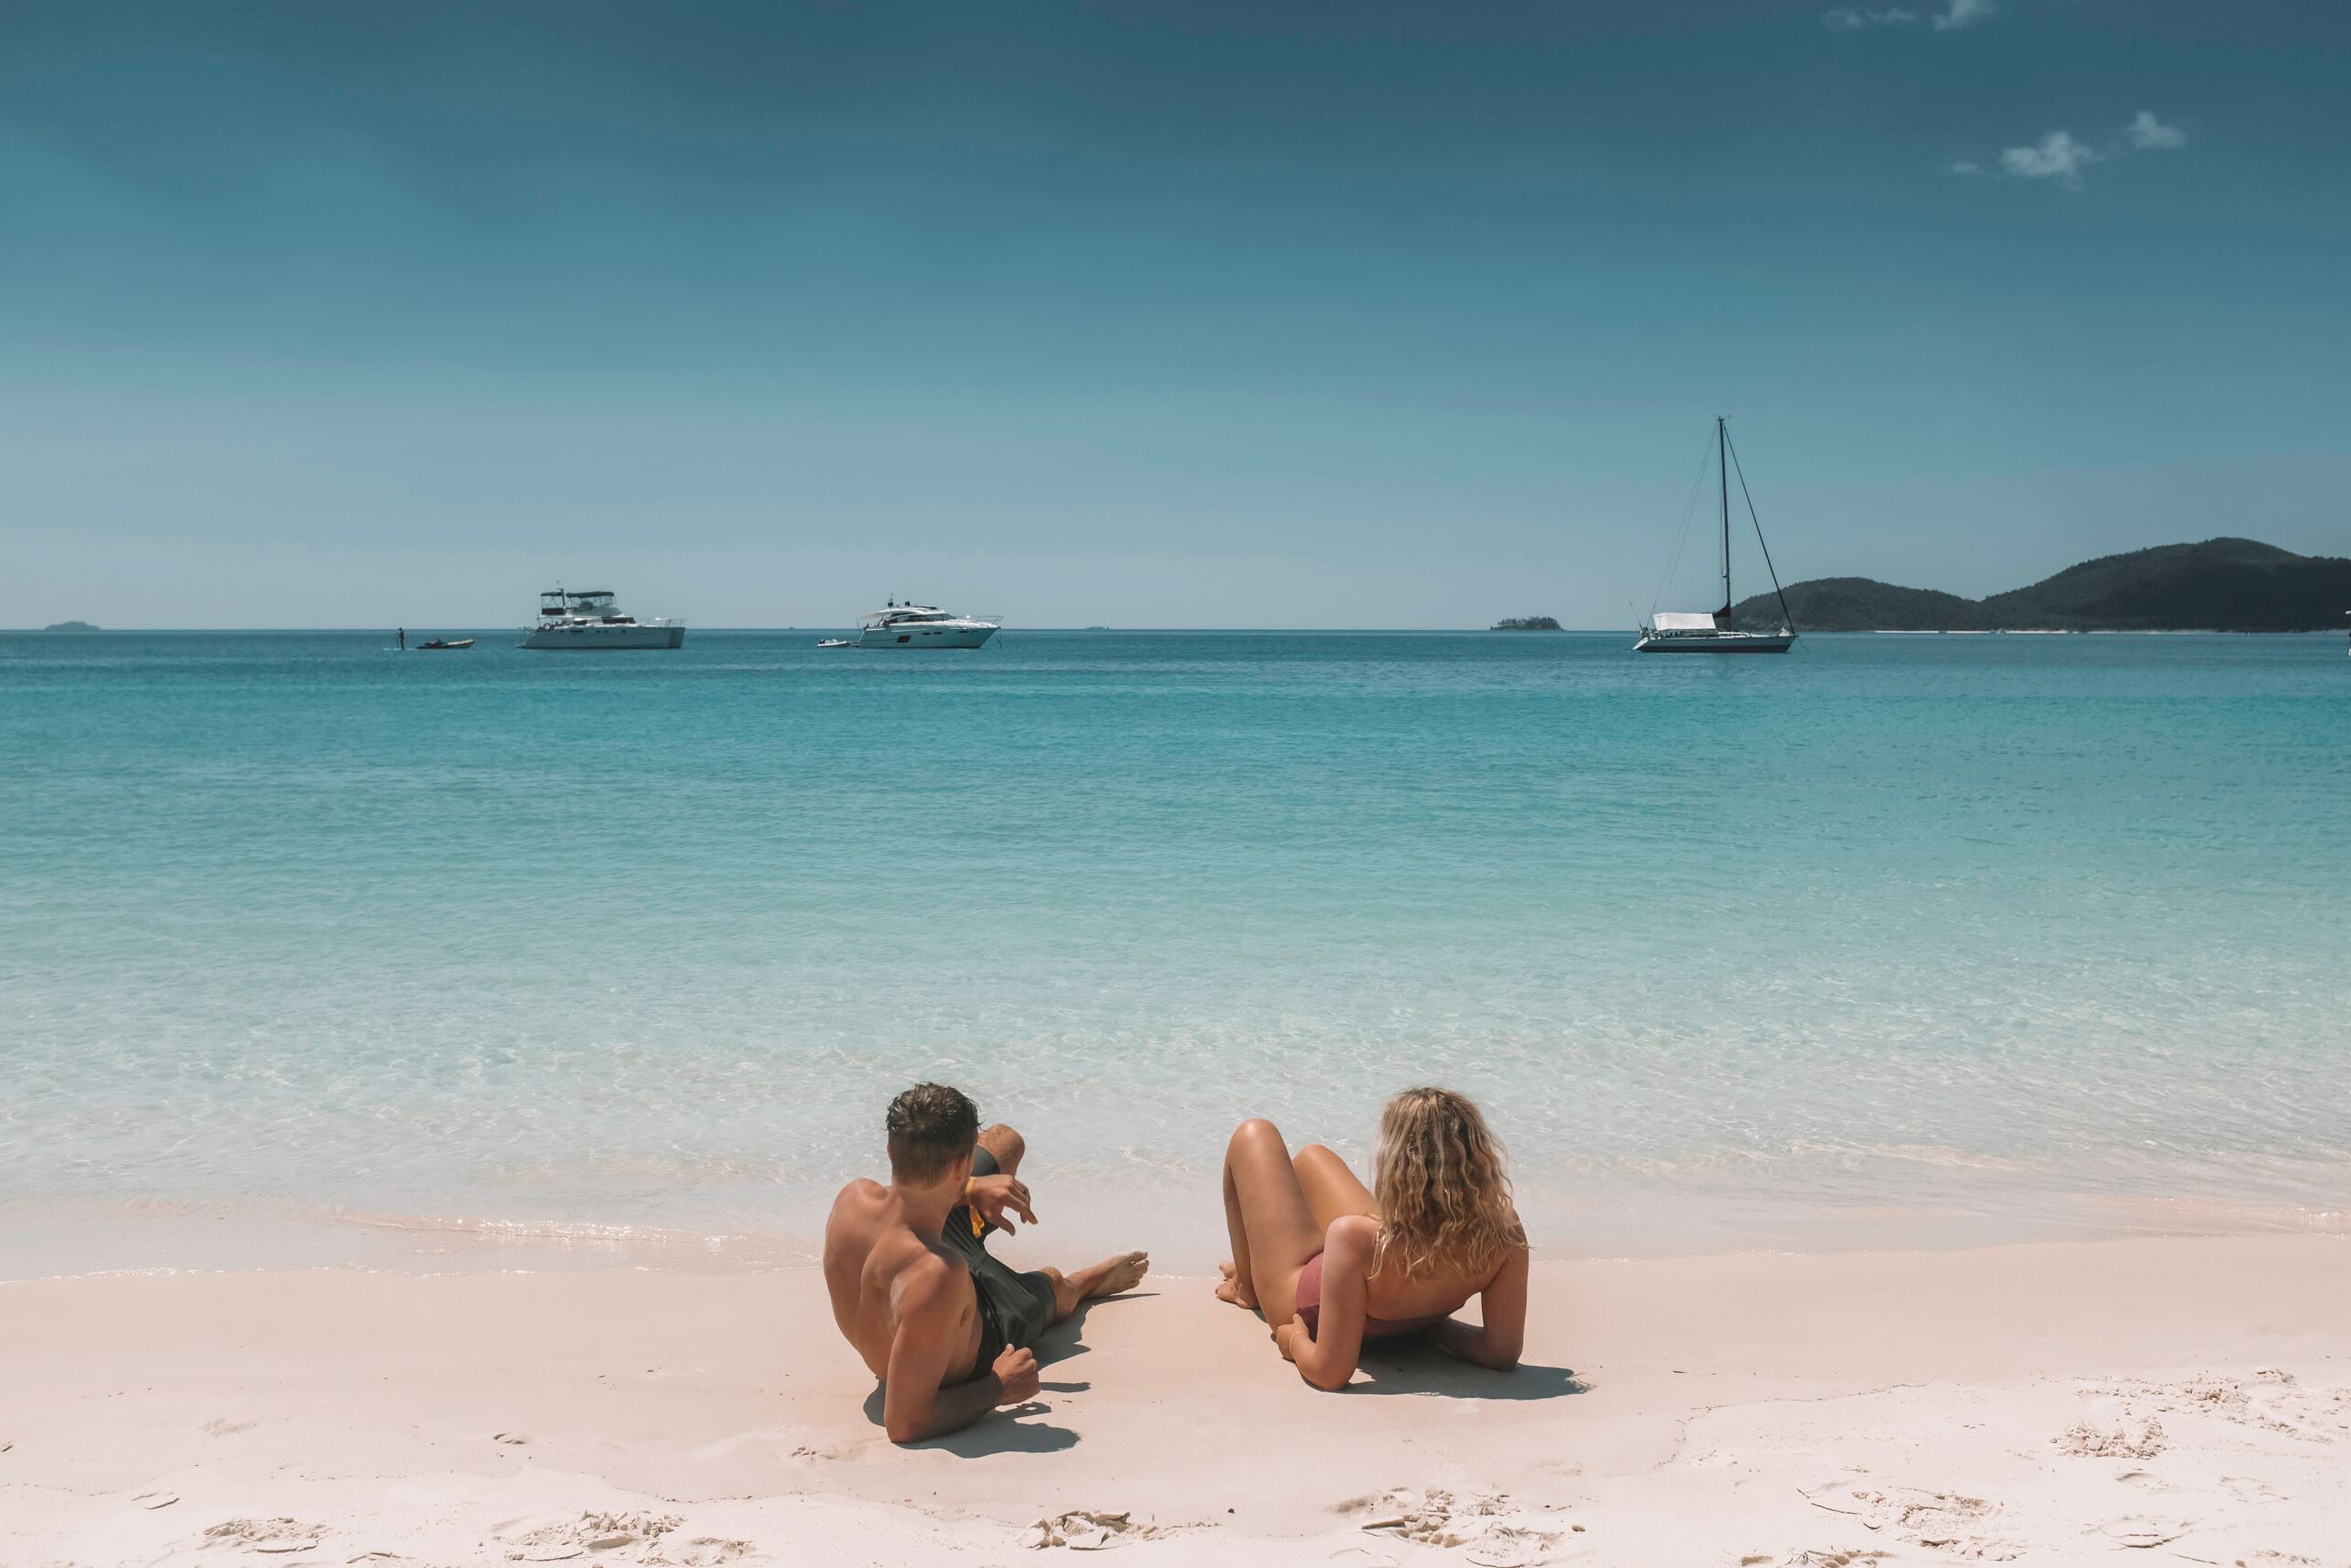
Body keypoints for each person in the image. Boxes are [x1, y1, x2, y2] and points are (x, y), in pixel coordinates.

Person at [824, 1083, 1149, 1442]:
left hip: (931, 1248)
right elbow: (904, 1422)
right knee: (1054, 1283)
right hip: (981, 1333)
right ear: (961, 1165)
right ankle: (1086, 1283)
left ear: (890, 1151)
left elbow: (918, 1205)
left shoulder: (852, 1201)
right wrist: (998, 1387)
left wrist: (973, 1188)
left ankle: (977, 1204)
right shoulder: (937, 1275)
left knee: (1006, 1141)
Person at [1215, 1087, 1529, 1391]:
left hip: (1303, 1302)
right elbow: (1500, 1353)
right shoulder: (1503, 1230)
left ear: (1397, 1164)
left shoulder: (1355, 1238)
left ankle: (1247, 1287)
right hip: (1399, 1307)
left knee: (1254, 1134)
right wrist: (1434, 1329)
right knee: (1313, 1158)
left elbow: (1330, 1373)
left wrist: (1295, 1341)